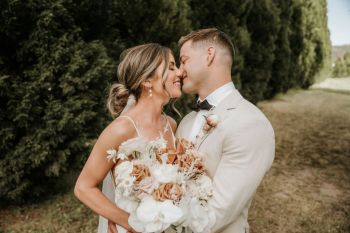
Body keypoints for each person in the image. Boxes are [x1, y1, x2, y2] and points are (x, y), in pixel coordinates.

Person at [74, 43, 182, 233]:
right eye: (172, 67)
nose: (180, 73)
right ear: (147, 80)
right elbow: (83, 187)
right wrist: (128, 221)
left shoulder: (171, 125)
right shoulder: (121, 130)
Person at [175, 28, 275, 233]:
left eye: (183, 60)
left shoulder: (251, 123)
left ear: (209, 55)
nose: (179, 70)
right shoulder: (185, 121)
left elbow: (217, 213)